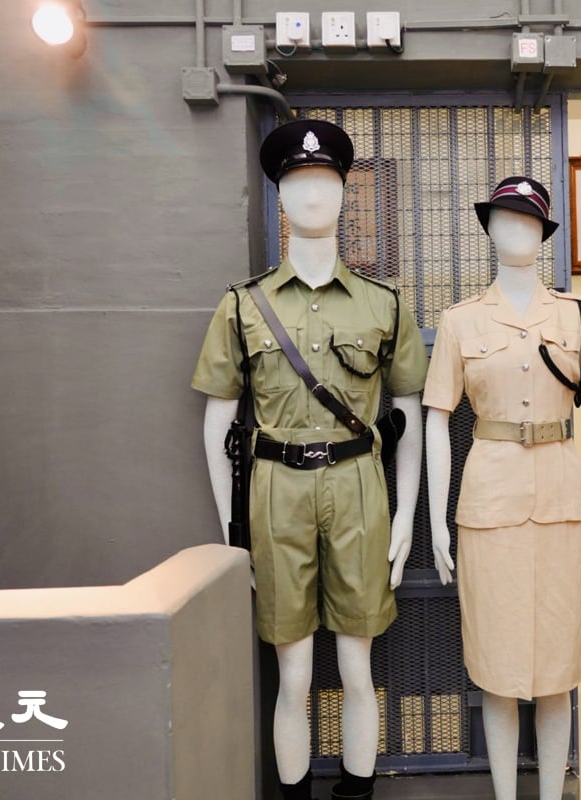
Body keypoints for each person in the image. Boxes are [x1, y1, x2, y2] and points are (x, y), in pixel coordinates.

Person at [191, 119, 427, 800]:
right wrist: (232, 532)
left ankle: (356, 792)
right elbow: (217, 420)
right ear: (279, 196)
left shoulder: (383, 304)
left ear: (347, 193)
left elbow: (408, 415)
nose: (312, 194)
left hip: (359, 489)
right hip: (275, 493)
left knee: (357, 667)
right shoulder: (243, 305)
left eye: (325, 180)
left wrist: (403, 516)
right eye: (297, 181)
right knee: (292, 673)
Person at [422, 177, 581, 800]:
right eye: (505, 218)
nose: (518, 230)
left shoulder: (578, 316)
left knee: (558, 668)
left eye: (530, 220)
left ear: (544, 232)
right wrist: (436, 520)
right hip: (489, 503)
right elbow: (435, 418)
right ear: (489, 229)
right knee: (498, 668)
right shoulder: (460, 321)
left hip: (561, 499)